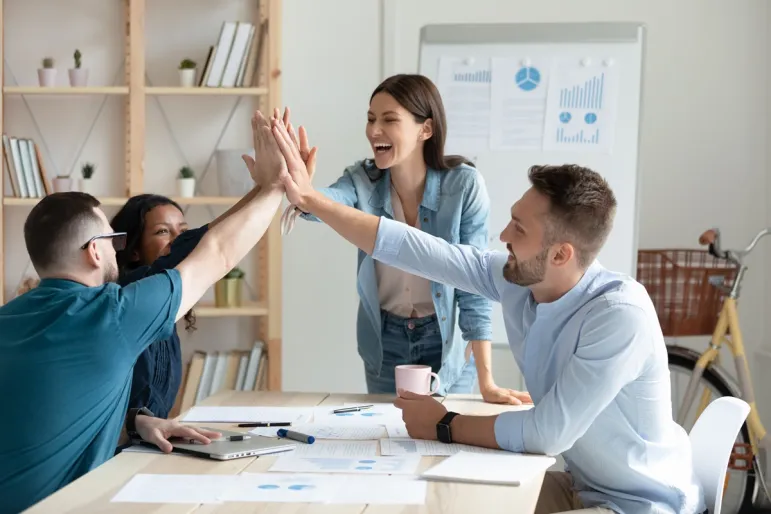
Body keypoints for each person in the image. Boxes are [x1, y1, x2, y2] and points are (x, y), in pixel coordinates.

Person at [270, 118, 705, 514]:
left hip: (640, 504)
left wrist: (444, 424)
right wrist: (311, 200)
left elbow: (547, 433)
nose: (502, 236)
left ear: (560, 253)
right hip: (582, 486)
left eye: (519, 228)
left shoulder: (618, 316)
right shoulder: (520, 279)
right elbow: (415, 249)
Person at [0, 110, 288, 513]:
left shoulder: (9, 317)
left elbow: (44, 411)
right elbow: (217, 253)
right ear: (95, 250)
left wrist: (133, 422)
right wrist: (276, 186)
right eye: (113, 238)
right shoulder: (112, 316)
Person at [281, 75, 529, 404]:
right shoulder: (362, 180)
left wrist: (488, 381)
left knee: (446, 442)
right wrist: (305, 193)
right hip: (385, 340)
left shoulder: (463, 186)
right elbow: (328, 203)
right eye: (370, 119)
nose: (373, 131)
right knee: (388, 438)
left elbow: (475, 283)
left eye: (388, 120)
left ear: (425, 129)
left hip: (445, 343)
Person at [111, 192, 258, 419]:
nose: (177, 240)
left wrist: (266, 187)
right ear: (134, 251)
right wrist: (267, 188)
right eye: (163, 231)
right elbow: (206, 242)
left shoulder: (169, 305)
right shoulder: (134, 290)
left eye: (183, 231)